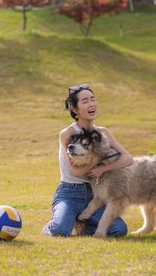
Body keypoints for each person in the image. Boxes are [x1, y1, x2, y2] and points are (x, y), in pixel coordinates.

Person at [42, 83, 134, 237]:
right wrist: (101, 156)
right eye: (85, 101)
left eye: (93, 99)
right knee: (60, 230)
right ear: (74, 108)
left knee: (119, 230)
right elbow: (76, 171)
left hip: (95, 195)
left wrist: (103, 169)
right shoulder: (68, 134)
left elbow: (128, 158)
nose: (91, 104)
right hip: (69, 193)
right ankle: (57, 223)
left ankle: (83, 226)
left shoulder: (103, 132)